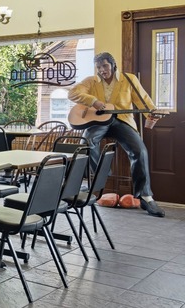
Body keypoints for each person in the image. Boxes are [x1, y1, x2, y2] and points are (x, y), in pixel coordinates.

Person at [68, 52, 168, 217]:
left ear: (113, 65)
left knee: (139, 151)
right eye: (99, 67)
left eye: (105, 66)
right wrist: (94, 102)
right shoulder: (91, 81)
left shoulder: (129, 79)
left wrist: (152, 112)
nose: (102, 70)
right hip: (98, 122)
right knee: (87, 141)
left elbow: (143, 100)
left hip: (122, 120)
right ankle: (101, 176)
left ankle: (145, 196)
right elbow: (72, 93)